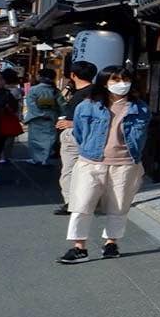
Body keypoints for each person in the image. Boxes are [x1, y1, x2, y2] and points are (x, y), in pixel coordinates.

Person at [62, 64, 148, 263]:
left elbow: (141, 137)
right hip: (90, 161)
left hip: (125, 163)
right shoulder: (87, 105)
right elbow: (79, 133)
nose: (122, 84)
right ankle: (79, 246)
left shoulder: (140, 107)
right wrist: (90, 149)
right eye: (116, 80)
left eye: (126, 79)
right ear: (104, 82)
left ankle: (111, 243)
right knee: (81, 203)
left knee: (119, 205)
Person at [52, 61, 97, 216]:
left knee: (70, 170)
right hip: (90, 136)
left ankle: (72, 203)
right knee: (88, 170)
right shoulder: (96, 92)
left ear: (73, 75)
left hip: (75, 134)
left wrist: (71, 123)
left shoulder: (85, 93)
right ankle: (87, 200)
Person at [23, 67, 60, 165]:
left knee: (35, 139)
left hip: (36, 118)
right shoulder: (55, 90)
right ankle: (45, 158)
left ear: (40, 77)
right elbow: (61, 105)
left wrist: (40, 114)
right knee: (49, 139)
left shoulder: (34, 89)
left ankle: (36, 158)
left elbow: (31, 104)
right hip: (51, 117)